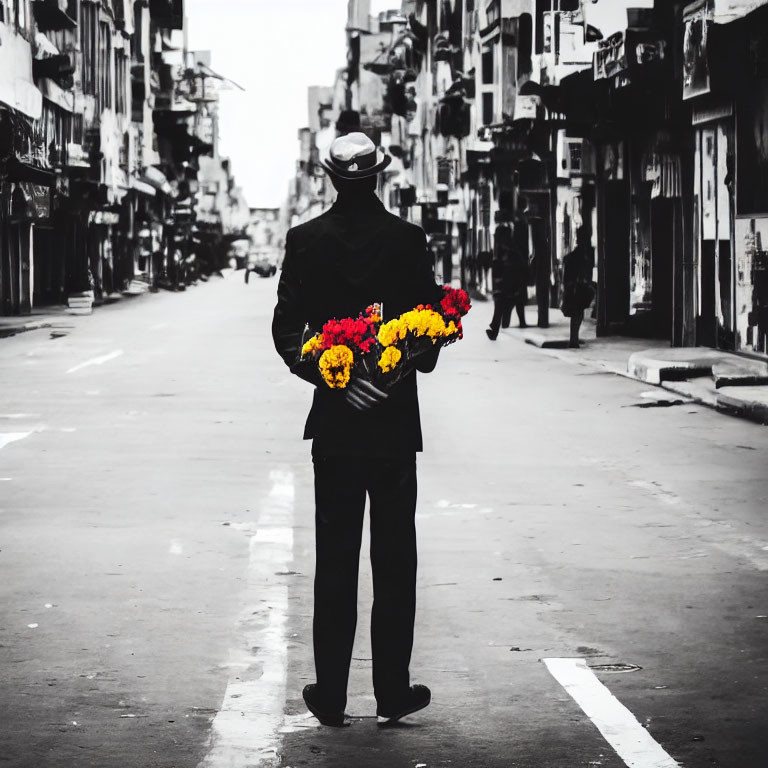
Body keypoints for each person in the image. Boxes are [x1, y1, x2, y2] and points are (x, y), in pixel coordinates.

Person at [272, 132, 443, 728]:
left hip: (338, 430)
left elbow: (287, 333)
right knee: (396, 560)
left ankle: (333, 695)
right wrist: (391, 372)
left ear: (330, 177)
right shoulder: (408, 240)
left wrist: (336, 376)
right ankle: (392, 692)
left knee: (337, 560)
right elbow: (431, 329)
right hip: (394, 428)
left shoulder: (304, 241)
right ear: (379, 175)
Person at [486, 217, 528, 340]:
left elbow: (516, 269)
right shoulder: (504, 251)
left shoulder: (511, 252)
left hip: (510, 286)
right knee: (502, 308)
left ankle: (495, 329)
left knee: (503, 307)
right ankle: (496, 328)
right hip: (505, 287)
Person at [561, 226, 596, 348]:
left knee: (577, 313)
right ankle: (573, 339)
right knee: (577, 314)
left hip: (576, 287)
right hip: (576, 287)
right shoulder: (579, 255)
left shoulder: (584, 253)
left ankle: (573, 339)